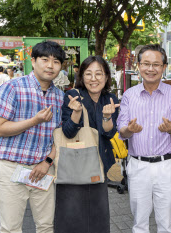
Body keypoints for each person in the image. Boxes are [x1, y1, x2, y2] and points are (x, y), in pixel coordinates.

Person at [0, 41, 65, 233]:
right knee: (11, 228)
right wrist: (34, 121)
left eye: (56, 61)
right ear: (33, 61)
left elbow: (60, 137)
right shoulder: (12, 88)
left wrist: (47, 162)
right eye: (44, 59)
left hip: (43, 169)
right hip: (11, 169)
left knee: (46, 226)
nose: (50, 65)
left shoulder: (59, 97)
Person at [117, 44, 171, 233]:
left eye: (156, 64)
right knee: (139, 222)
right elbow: (121, 130)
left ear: (164, 67)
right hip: (138, 165)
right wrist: (130, 130)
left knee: (165, 223)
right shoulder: (129, 95)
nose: (151, 69)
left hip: (166, 166)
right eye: (146, 64)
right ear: (139, 66)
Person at [55, 55, 119, 233]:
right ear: (81, 76)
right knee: (72, 217)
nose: (93, 79)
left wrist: (107, 117)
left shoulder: (110, 98)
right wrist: (76, 113)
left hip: (99, 164)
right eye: (88, 74)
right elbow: (68, 132)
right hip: (74, 165)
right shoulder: (73, 95)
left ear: (106, 77)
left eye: (99, 74)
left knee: (97, 218)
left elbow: (109, 133)